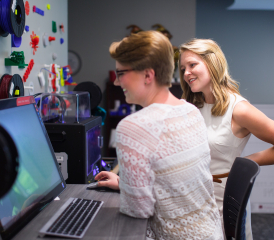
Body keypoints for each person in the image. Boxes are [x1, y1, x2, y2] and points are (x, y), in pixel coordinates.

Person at [95, 31, 223, 239]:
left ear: (147, 75)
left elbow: (139, 210)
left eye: (121, 74)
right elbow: (173, 184)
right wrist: (125, 184)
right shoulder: (191, 110)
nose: (117, 83)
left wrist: (130, 189)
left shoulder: (133, 126)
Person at [179, 39, 274, 240]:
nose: (186, 73)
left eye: (192, 65)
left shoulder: (238, 109)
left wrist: (247, 163)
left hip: (221, 202)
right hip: (191, 199)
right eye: (183, 68)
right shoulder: (193, 105)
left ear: (212, 63)